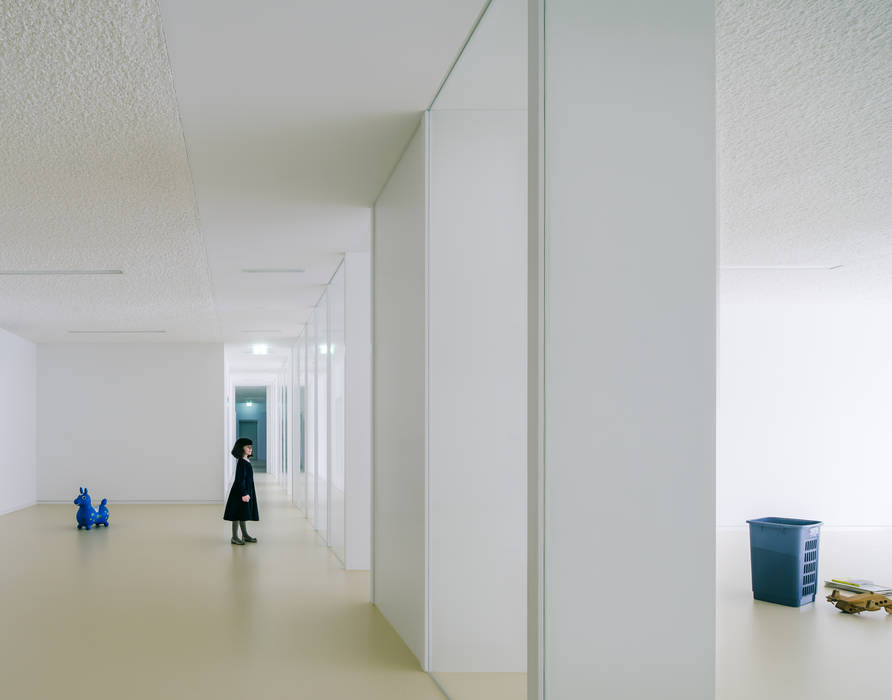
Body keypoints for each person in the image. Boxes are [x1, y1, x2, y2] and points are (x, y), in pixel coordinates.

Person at [223, 437, 259, 544]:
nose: (250, 449)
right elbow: (240, 479)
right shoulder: (241, 463)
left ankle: (245, 535)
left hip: (245, 490)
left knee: (242, 513)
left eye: (251, 447)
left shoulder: (246, 461)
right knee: (237, 514)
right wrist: (244, 493)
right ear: (241, 448)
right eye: (248, 447)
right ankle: (234, 537)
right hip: (240, 492)